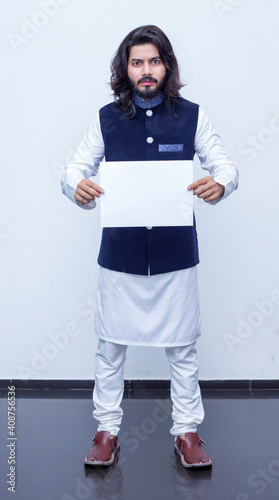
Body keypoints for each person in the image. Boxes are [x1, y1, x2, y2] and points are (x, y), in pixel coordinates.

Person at [61, 25, 238, 469]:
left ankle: (187, 432)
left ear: (167, 66)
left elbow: (226, 164)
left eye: (154, 61)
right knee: (109, 347)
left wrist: (221, 184)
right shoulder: (105, 118)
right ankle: (106, 431)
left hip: (175, 253)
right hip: (119, 254)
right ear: (126, 67)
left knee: (183, 348)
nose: (146, 70)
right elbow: (74, 168)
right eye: (137, 62)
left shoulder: (193, 116)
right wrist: (76, 186)